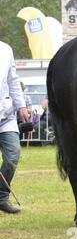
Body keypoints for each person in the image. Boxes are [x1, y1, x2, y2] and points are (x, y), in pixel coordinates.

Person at [0, 41, 29, 214]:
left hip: (6, 115)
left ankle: (2, 197)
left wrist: (22, 106)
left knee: (12, 155)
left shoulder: (5, 49)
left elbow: (12, 80)